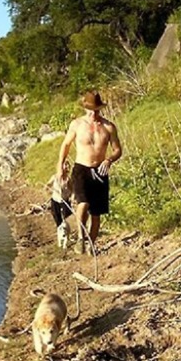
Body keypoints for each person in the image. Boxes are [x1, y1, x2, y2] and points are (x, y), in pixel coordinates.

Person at [57, 90, 122, 254]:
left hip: (100, 170)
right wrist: (60, 166)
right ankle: (80, 238)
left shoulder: (108, 127)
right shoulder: (77, 124)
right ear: (85, 108)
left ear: (100, 109)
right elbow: (65, 145)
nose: (94, 113)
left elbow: (117, 150)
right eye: (91, 109)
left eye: (97, 110)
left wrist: (109, 160)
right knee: (83, 203)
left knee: (96, 213)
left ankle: (91, 244)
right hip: (81, 168)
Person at [46, 159, 72, 229]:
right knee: (56, 215)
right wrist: (48, 188)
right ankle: (59, 228)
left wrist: (71, 196)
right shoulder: (55, 177)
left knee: (66, 215)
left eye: (68, 165)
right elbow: (48, 184)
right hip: (55, 199)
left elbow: (71, 188)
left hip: (64, 200)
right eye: (65, 164)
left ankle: (65, 227)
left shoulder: (68, 179)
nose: (67, 166)